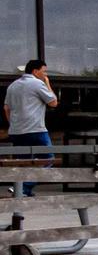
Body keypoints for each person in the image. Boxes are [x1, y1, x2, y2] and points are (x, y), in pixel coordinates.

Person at [6, 58, 58, 197]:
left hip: (17, 131)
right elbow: (53, 102)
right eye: (44, 72)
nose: (45, 75)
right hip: (35, 129)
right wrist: (47, 83)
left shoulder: (13, 85)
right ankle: (23, 187)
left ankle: (23, 190)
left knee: (23, 162)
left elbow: (6, 108)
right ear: (35, 71)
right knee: (48, 159)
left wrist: (13, 124)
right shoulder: (37, 84)